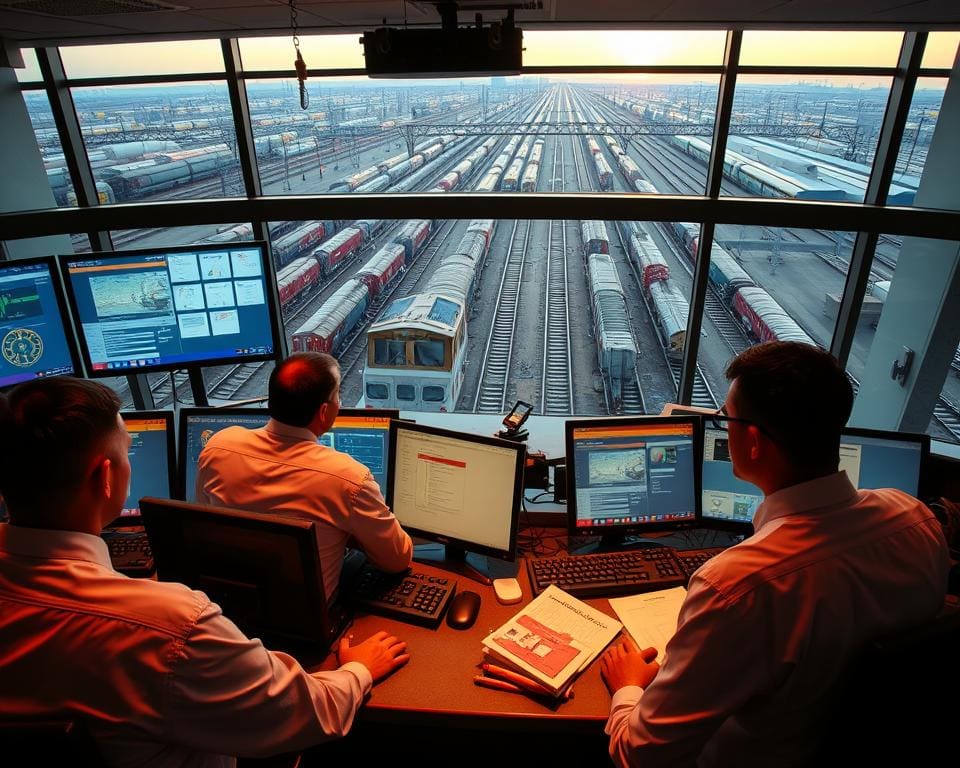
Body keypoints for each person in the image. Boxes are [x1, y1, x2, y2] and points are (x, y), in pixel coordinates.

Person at [0, 377, 410, 767]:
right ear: (105, 478)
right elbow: (305, 712)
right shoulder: (169, 626)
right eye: (125, 452)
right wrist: (359, 669)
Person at [601, 341, 950, 768]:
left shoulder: (734, 587)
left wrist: (627, 687)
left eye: (725, 418)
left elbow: (639, 755)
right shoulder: (916, 519)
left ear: (751, 441)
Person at [196, 352, 412, 600]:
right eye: (338, 396)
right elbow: (397, 559)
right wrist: (350, 532)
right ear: (323, 412)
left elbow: (204, 523)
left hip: (227, 610)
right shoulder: (349, 479)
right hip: (310, 627)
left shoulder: (218, 447)